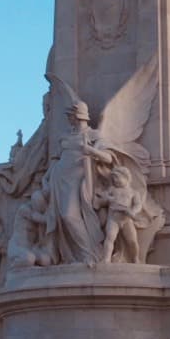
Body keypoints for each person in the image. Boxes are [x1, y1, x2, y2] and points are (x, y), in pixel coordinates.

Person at [42, 102, 113, 265]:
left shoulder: (93, 135)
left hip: (77, 179)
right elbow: (57, 160)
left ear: (78, 115)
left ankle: (89, 254)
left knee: (69, 216)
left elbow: (108, 158)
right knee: (61, 217)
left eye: (70, 115)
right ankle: (74, 254)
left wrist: (91, 151)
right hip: (59, 178)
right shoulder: (66, 136)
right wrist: (46, 177)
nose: (68, 118)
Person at [94, 166, 142, 263]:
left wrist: (132, 211)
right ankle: (106, 258)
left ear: (126, 177)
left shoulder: (133, 192)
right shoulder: (112, 189)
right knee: (110, 237)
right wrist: (107, 199)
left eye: (117, 177)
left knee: (132, 241)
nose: (115, 180)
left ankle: (135, 258)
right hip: (113, 219)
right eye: (113, 178)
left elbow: (138, 205)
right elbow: (102, 200)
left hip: (127, 219)